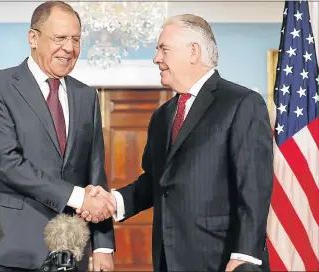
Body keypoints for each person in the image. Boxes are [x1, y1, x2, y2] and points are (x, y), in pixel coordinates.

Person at [77, 14, 273, 272]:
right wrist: (114, 202)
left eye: (163, 49)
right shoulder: (162, 115)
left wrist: (244, 256)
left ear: (193, 52)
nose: (156, 58)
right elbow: (155, 181)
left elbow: (253, 187)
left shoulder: (241, 103)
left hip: (223, 259)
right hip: (168, 260)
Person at [0, 1, 115, 271]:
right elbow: (6, 162)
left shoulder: (86, 96)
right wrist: (79, 198)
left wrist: (103, 245)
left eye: (75, 39)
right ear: (33, 38)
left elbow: (95, 173)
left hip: (69, 251)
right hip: (7, 249)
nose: (69, 48)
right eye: (60, 38)